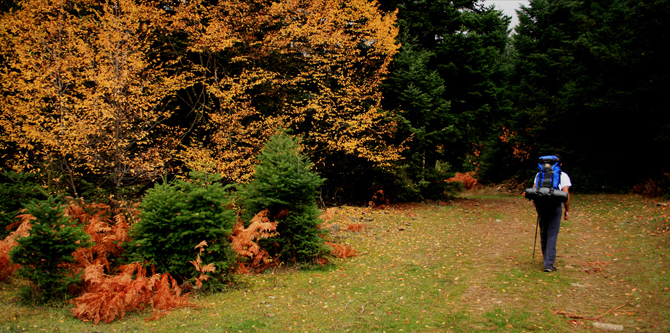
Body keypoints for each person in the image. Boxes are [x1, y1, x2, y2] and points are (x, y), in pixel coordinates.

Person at [532, 155, 571, 272]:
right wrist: (567, 210)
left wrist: (536, 205)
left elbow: (534, 189)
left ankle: (546, 258)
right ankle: (548, 264)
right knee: (552, 234)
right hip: (555, 206)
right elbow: (566, 193)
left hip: (542, 206)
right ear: (560, 164)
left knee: (544, 232)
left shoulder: (539, 175)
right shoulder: (563, 175)